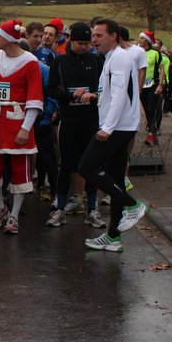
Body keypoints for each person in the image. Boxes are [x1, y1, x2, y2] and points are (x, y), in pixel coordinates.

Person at [81, 19, 148, 251]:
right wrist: (94, 96)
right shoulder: (112, 58)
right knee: (116, 178)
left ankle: (132, 205)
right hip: (120, 124)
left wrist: (107, 128)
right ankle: (113, 236)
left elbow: (120, 94)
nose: (94, 40)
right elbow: (114, 93)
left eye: (99, 35)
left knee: (86, 166)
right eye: (93, 35)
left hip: (118, 127)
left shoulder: (119, 57)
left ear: (114, 36)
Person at [0, 20, 43, 235]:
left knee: (19, 170)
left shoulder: (31, 62)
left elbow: (35, 99)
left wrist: (26, 128)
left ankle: (14, 214)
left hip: (18, 123)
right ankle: (0, 208)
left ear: (8, 39)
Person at [46, 22, 105, 229]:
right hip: (69, 120)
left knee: (91, 167)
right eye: (80, 43)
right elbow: (52, 90)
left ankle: (92, 210)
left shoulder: (96, 60)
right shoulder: (60, 61)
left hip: (90, 120)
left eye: (87, 43)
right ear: (71, 41)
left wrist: (94, 95)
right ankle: (60, 209)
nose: (84, 47)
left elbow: (104, 89)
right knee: (66, 165)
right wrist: (70, 95)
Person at [138, 31, 166, 146]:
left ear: (147, 41)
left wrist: (160, 84)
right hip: (142, 85)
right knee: (146, 110)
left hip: (153, 84)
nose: (139, 40)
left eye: (142, 38)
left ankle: (151, 133)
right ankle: (152, 135)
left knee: (151, 109)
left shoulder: (155, 53)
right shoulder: (139, 53)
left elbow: (162, 69)